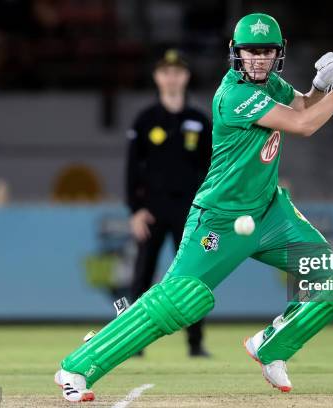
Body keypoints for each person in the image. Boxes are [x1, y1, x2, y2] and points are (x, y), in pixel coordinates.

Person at [54, 13, 333, 402]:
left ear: (278, 54)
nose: (258, 59)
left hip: (271, 213)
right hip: (219, 220)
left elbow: (305, 104)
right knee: (181, 300)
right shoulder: (234, 95)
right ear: (235, 54)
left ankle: (272, 347)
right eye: (250, 52)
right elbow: (305, 124)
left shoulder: (271, 83)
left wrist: (322, 85)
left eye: (266, 51)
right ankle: (77, 366)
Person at [120, 49, 212, 357]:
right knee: (142, 276)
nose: (171, 77)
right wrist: (135, 211)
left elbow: (213, 169)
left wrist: (208, 210)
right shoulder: (146, 120)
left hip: (190, 213)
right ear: (157, 77)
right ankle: (133, 344)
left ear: (185, 77)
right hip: (153, 211)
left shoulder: (199, 121)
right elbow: (132, 170)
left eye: (177, 72)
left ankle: (196, 344)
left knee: (191, 278)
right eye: (165, 72)